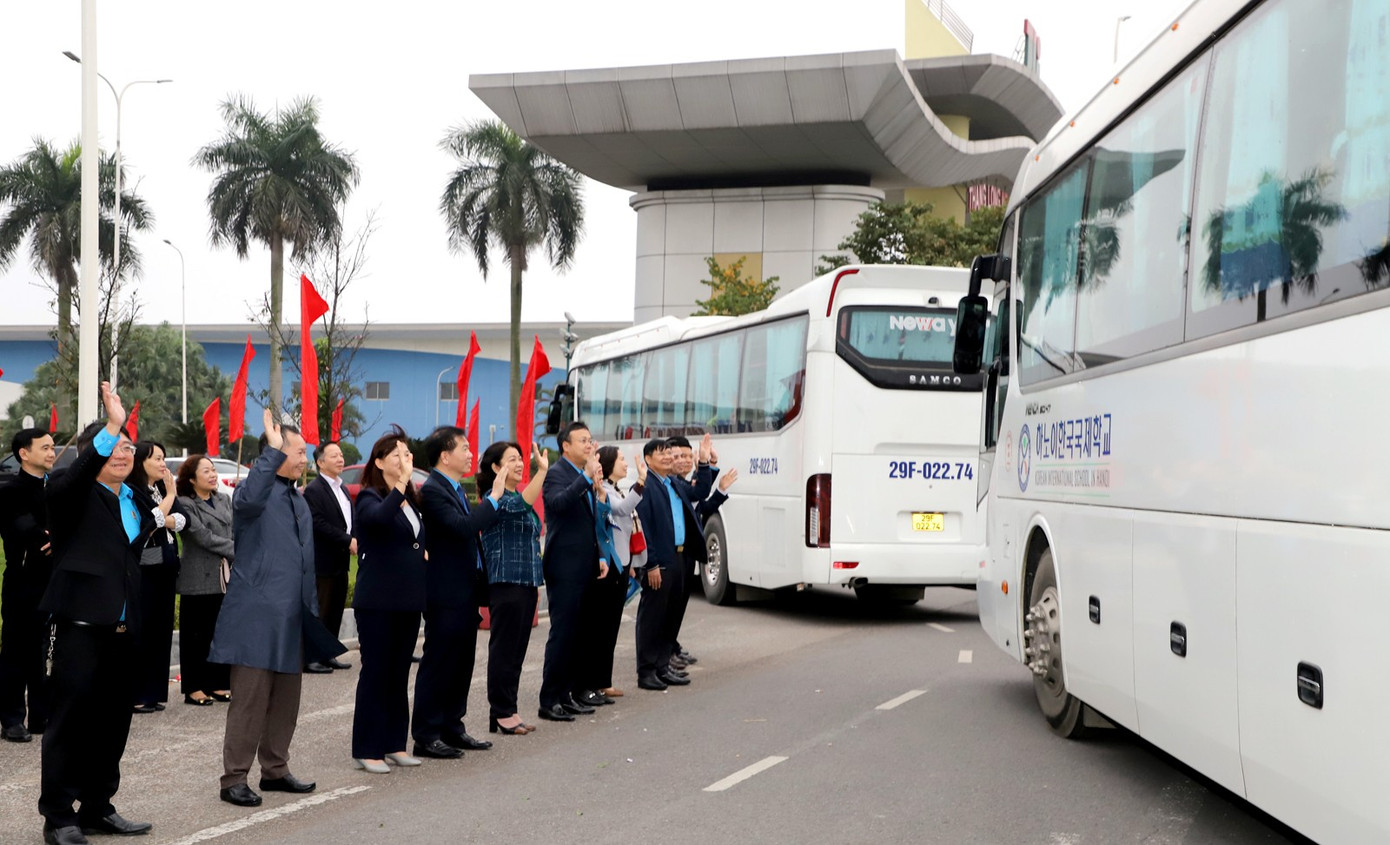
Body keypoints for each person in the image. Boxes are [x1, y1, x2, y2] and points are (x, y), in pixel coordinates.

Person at [38, 383, 155, 844]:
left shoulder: (135, 500)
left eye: (128, 445)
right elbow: (70, 478)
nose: (124, 452)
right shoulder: (72, 496)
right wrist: (109, 425)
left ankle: (97, 807)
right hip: (81, 629)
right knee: (70, 724)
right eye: (113, 446)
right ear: (93, 454)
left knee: (112, 724)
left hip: (124, 630)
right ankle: (60, 817)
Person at [210, 409, 325, 808]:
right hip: (257, 615)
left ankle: (275, 769)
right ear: (275, 455)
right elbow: (245, 500)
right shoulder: (254, 496)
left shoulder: (298, 499)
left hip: (291, 617)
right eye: (297, 452)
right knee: (250, 700)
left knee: (285, 701)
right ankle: (233, 778)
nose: (304, 458)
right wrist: (272, 451)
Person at [412, 426, 505, 759]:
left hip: (465, 590)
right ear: (444, 455)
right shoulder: (433, 490)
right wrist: (494, 497)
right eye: (464, 448)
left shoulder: (454, 488)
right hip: (445, 591)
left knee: (462, 662)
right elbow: (462, 528)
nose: (470, 454)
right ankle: (426, 733)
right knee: (439, 661)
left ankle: (453, 725)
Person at [350, 427, 428, 774]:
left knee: (398, 674)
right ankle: (368, 748)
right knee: (376, 673)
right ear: (380, 462)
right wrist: (401, 486)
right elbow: (379, 520)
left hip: (407, 601)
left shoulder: (410, 500)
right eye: (395, 454)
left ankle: (395, 743)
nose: (403, 459)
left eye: (406, 453)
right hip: (378, 602)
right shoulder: (369, 497)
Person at [538, 422, 607, 722]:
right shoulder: (557, 474)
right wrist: (586, 479)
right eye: (583, 440)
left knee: (579, 635)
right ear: (565, 446)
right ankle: (549, 699)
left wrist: (600, 555)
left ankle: (567, 694)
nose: (589, 445)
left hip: (585, 565)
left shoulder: (584, 475)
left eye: (591, 440)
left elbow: (591, 521)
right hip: (564, 567)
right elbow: (557, 504)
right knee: (563, 634)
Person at [477, 441, 547, 735]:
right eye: (512, 460)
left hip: (527, 581)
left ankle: (510, 708)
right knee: (504, 649)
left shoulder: (517, 494)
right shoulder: (495, 498)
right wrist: (542, 471)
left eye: (521, 459)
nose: (520, 464)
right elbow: (522, 506)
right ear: (496, 467)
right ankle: (500, 711)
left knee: (517, 651)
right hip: (505, 582)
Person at [577, 445, 646, 703]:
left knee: (611, 627)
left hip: (622, 563)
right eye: (621, 460)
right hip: (610, 565)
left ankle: (604, 681)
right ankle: (594, 682)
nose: (626, 464)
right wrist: (641, 481)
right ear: (607, 464)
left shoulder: (614, 488)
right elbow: (622, 509)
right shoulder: (603, 489)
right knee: (601, 627)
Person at [0, 427, 56, 743]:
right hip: (23, 582)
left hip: (52, 581)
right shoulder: (11, 491)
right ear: (24, 452)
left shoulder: (52, 489)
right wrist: (47, 538)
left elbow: (62, 532)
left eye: (52, 447)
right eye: (45, 447)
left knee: (42, 651)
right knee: (16, 652)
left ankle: (40, 715)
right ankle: (11, 718)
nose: (51, 452)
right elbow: (28, 533)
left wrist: (56, 539)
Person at [128, 441, 185, 714]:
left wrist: (166, 509)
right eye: (157, 458)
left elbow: (183, 519)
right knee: (144, 629)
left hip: (167, 566)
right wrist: (170, 498)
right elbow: (150, 522)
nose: (163, 464)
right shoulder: (135, 490)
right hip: (146, 569)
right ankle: (138, 694)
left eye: (164, 458)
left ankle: (153, 693)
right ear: (141, 462)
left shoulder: (159, 489)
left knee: (161, 629)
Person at [175, 455, 234, 707]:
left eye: (213, 470)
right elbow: (202, 536)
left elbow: (233, 528)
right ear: (191, 478)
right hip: (197, 576)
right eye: (206, 471)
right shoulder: (185, 503)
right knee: (195, 635)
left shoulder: (224, 499)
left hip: (224, 575)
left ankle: (219, 682)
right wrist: (237, 548)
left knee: (220, 632)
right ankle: (194, 687)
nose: (213, 475)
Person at [302, 441, 354, 674]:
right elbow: (317, 523)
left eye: (341, 455)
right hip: (323, 560)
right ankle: (312, 657)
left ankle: (328, 653)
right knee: (321, 609)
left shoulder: (342, 488)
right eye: (334, 456)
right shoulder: (314, 489)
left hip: (341, 560)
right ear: (320, 462)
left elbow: (347, 521)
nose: (340, 459)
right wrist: (347, 540)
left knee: (335, 609)